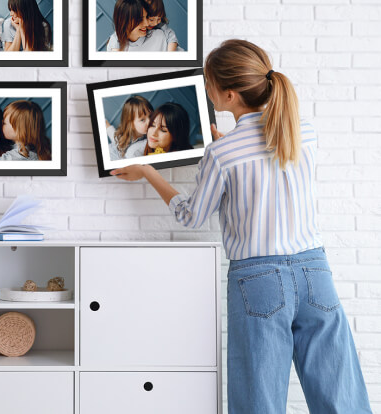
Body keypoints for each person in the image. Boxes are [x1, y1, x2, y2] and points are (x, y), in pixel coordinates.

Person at [111, 39, 372, 414]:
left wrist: (150, 172)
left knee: (258, 400)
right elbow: (265, 164)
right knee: (341, 395)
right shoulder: (304, 132)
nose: (207, 91)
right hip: (316, 271)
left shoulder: (222, 153)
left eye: (209, 84)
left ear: (230, 95)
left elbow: (192, 217)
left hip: (258, 280)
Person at [106, 95, 153, 161]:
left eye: (150, 116)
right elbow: (114, 137)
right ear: (131, 124)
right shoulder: (123, 135)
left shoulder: (147, 140)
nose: (149, 122)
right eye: (142, 120)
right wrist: (107, 126)